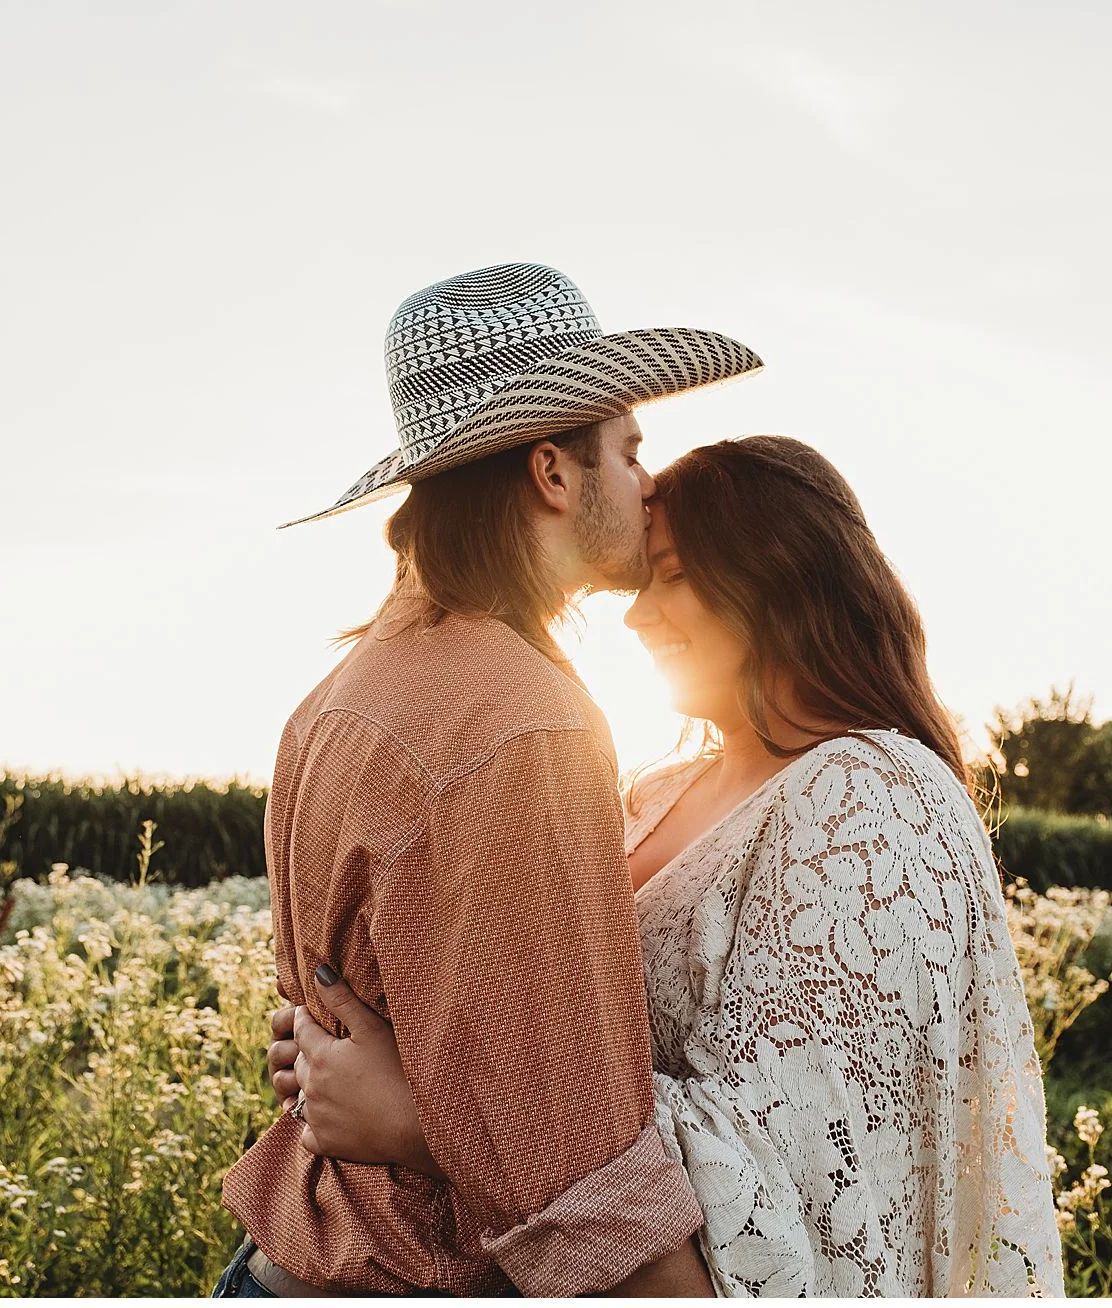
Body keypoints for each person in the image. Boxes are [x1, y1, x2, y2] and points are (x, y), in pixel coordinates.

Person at [268, 436, 1067, 1296]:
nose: (637, 615)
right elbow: (533, 1025)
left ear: (782, 574)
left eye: (674, 576)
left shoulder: (875, 801)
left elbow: (807, 1151)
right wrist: (346, 1031)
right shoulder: (653, 791)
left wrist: (420, 1114)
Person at [212, 262, 762, 1297]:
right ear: (553, 472)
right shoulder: (524, 723)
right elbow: (573, 1171)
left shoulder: (334, 695)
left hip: (287, 1260)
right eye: (630, 448)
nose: (648, 485)